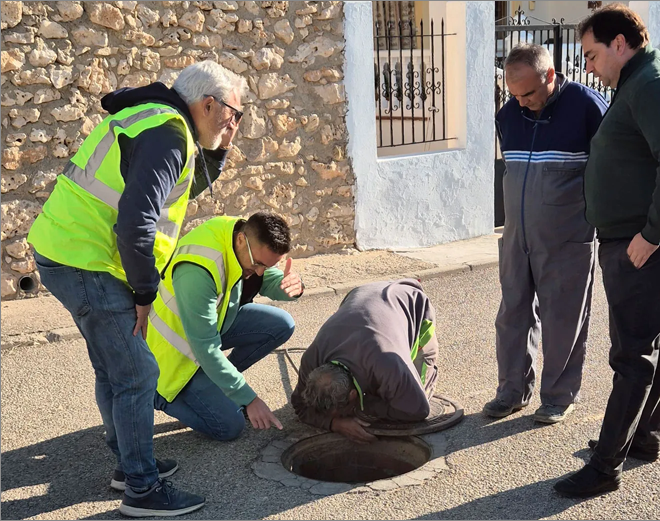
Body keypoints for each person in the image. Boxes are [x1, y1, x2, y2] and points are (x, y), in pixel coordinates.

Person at [27, 60, 247, 517]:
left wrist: (221, 147)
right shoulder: (168, 134)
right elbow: (136, 224)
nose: (234, 126)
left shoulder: (157, 120)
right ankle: (142, 490)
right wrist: (145, 294)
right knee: (136, 373)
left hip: (69, 251)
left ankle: (128, 467)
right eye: (233, 116)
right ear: (209, 104)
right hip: (87, 260)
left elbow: (184, 183)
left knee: (114, 369)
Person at [554, 3, 660, 498]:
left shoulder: (652, 83)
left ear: (620, 43)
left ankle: (604, 468)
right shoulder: (634, 81)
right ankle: (641, 441)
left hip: (643, 244)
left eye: (592, 55)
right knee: (646, 345)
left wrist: (652, 234)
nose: (588, 66)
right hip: (629, 239)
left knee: (632, 355)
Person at [485, 43, 608, 424]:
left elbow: (612, 170)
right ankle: (511, 390)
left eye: (529, 93)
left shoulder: (588, 107)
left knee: (564, 318)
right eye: (514, 94)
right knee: (512, 315)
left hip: (567, 237)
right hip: (517, 238)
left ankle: (557, 396)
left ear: (550, 76)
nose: (521, 102)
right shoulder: (508, 116)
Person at [149, 212, 302, 441]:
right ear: (241, 240)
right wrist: (249, 398)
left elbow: (267, 280)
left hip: (210, 329)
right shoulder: (197, 271)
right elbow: (206, 348)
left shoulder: (240, 236)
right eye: (259, 264)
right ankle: (158, 395)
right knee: (229, 427)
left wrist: (290, 286)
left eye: (268, 265)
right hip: (171, 361)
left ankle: (218, 384)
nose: (260, 271)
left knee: (281, 324)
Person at [291, 279, 438, 443]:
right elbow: (300, 405)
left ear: (353, 395)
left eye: (340, 413)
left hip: (412, 304)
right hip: (358, 295)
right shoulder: (312, 359)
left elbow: (418, 410)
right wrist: (335, 423)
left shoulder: (388, 363)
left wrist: (367, 408)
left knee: (418, 393)